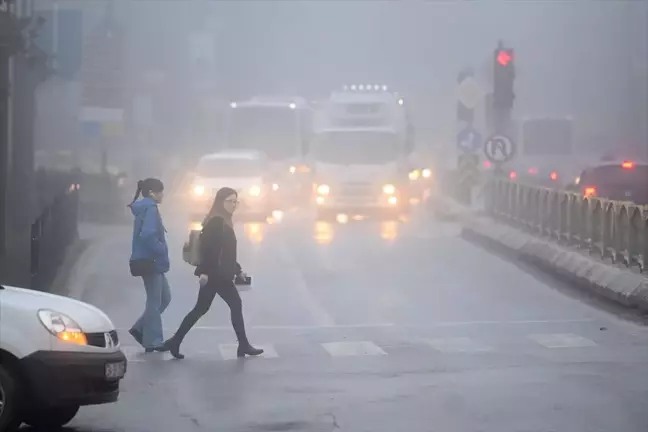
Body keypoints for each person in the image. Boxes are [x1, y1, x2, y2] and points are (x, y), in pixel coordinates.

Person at [164, 187, 263, 359]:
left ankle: (175, 341)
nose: (233, 205)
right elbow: (209, 250)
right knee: (232, 305)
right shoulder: (216, 222)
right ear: (220, 202)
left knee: (201, 308)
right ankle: (243, 345)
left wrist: (237, 270)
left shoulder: (223, 220)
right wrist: (205, 272)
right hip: (216, 274)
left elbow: (226, 252)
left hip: (220, 273)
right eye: (230, 201)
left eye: (235, 202)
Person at [128, 178, 172, 353]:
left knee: (164, 298)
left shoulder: (144, 208)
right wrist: (161, 249)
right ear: (153, 193)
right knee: (155, 301)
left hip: (151, 261)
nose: (163, 195)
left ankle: (140, 329)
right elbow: (148, 235)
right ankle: (153, 341)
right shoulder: (151, 209)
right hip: (151, 261)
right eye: (161, 191)